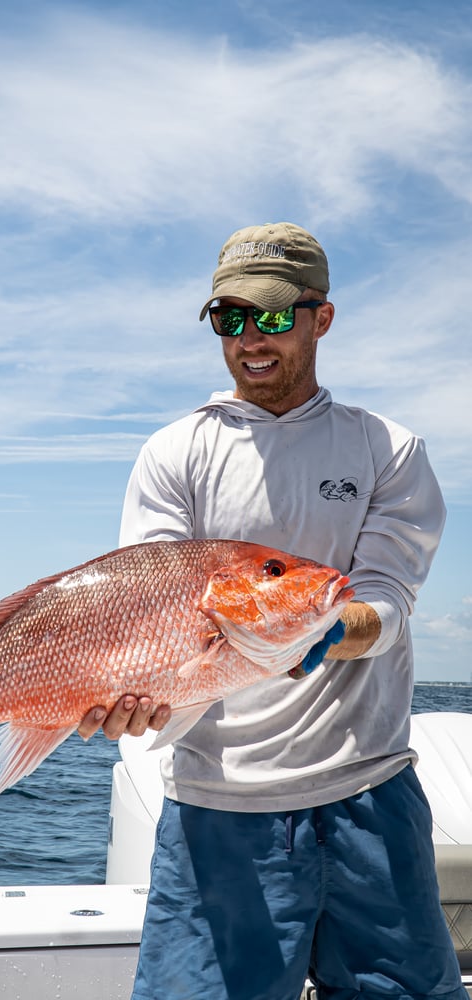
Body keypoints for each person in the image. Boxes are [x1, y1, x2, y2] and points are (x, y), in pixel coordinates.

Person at [78, 222, 466, 1000]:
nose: (252, 338)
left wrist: (325, 631)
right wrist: (124, 695)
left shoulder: (388, 449)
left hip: (369, 793)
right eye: (231, 319)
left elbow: (386, 600)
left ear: (321, 318)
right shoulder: (174, 453)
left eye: (276, 317)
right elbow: (152, 608)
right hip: (218, 806)